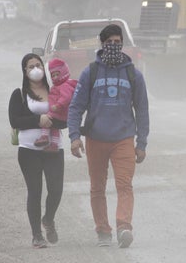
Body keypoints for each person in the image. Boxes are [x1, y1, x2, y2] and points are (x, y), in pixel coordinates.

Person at [68, 24, 150, 249]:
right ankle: (103, 231)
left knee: (125, 185)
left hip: (124, 139)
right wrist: (74, 136)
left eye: (118, 42)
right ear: (102, 44)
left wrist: (141, 142)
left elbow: (142, 110)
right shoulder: (90, 72)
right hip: (95, 139)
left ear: (122, 44)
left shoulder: (133, 74)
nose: (114, 46)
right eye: (109, 43)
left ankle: (124, 228)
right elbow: (76, 107)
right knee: (97, 187)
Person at [8, 53, 66, 248]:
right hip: (29, 150)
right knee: (35, 191)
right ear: (24, 71)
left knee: (56, 190)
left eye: (38, 65)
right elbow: (15, 121)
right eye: (30, 66)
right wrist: (37, 120)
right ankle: (36, 235)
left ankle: (48, 219)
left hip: (54, 149)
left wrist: (52, 122)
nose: (35, 69)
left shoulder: (55, 91)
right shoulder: (19, 94)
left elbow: (65, 117)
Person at [34, 58, 78, 150]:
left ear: (63, 72)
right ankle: (54, 144)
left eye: (57, 74)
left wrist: (58, 105)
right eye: (52, 75)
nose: (55, 78)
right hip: (61, 115)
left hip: (58, 112)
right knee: (54, 127)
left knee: (45, 120)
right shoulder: (60, 85)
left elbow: (66, 97)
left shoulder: (64, 85)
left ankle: (44, 137)